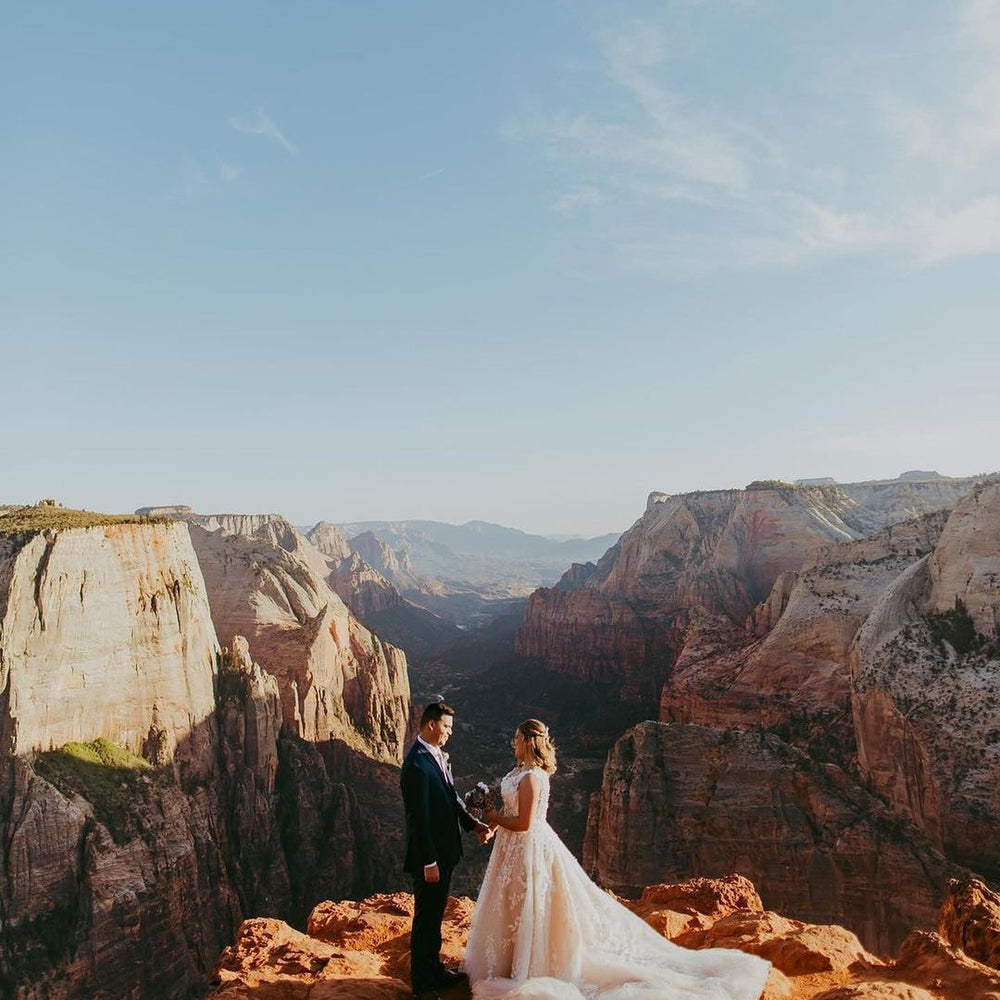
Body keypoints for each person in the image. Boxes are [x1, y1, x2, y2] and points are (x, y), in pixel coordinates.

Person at [462, 719, 771, 1000]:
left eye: (516, 737)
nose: (512, 742)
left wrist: (491, 814)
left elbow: (525, 823)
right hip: (512, 848)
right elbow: (512, 814)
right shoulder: (519, 771)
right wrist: (491, 818)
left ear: (529, 741)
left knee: (530, 904)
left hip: (528, 849)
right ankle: (513, 959)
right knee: (515, 904)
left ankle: (528, 965)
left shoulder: (532, 777)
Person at [402, 701, 493, 1000]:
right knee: (426, 919)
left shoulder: (435, 757)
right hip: (431, 858)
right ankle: (423, 985)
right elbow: (419, 819)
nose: (450, 733)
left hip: (446, 853)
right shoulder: (416, 764)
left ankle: (435, 970)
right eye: (446, 727)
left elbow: (451, 798)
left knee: (435, 915)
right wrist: (428, 861)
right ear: (430, 725)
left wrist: (473, 824)